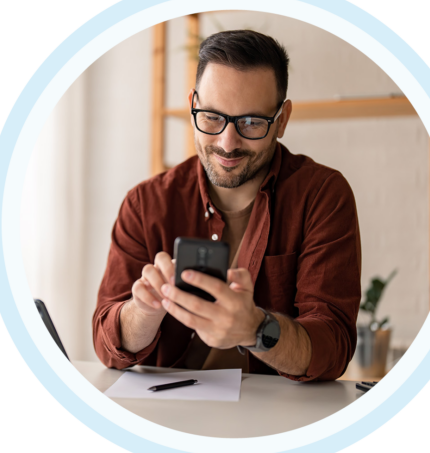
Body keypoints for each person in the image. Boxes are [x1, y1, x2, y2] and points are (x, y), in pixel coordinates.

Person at [93, 30, 361, 381]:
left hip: (275, 422)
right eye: (212, 117)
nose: (227, 143)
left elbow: (333, 346)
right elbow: (106, 343)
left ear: (281, 120)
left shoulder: (322, 196)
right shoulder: (146, 204)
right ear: (192, 104)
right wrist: (142, 312)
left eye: (251, 122)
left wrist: (256, 329)